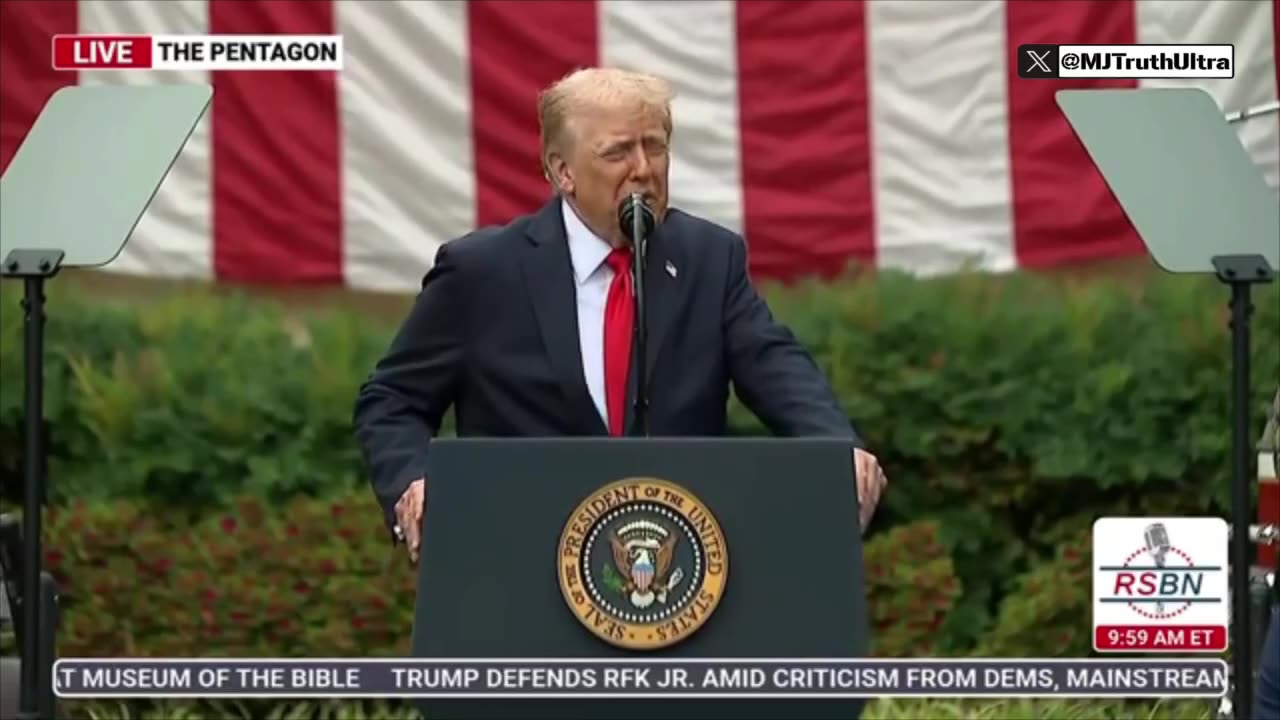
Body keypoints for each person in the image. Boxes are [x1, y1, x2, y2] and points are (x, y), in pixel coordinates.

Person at [352, 67, 887, 565]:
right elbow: (393, 400)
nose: (643, 170)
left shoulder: (708, 258)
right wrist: (414, 482)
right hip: (518, 562)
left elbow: (777, 367)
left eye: (655, 147)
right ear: (562, 171)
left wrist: (837, 449)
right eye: (617, 153)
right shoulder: (484, 273)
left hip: (677, 567)